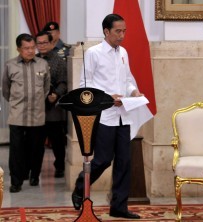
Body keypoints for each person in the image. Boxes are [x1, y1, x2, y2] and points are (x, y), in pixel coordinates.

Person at [71, 14, 143, 219]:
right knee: (102, 160)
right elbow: (85, 85)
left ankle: (119, 206)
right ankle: (79, 187)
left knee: (124, 161)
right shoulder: (93, 53)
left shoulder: (124, 52)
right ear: (106, 31)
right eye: (118, 31)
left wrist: (134, 92)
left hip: (123, 114)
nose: (122, 35)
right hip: (104, 115)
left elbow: (127, 79)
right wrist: (107, 97)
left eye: (124, 31)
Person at [2, 33, 50, 192]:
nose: (30, 51)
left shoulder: (43, 64)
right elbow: (6, 90)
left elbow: (46, 88)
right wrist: (17, 103)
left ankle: (34, 175)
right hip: (17, 116)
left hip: (37, 116)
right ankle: (16, 182)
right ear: (18, 49)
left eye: (32, 47)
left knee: (36, 148)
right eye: (26, 48)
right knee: (16, 150)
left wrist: (37, 101)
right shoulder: (10, 65)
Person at [35, 31, 68, 178]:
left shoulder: (59, 61)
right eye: (39, 43)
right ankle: (34, 171)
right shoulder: (33, 60)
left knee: (57, 142)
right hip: (37, 109)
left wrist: (56, 95)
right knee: (35, 142)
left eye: (44, 42)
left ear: (51, 43)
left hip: (54, 108)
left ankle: (60, 167)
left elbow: (64, 82)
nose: (42, 46)